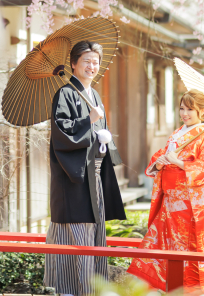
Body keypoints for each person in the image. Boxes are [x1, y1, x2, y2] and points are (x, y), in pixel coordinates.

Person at [126, 89, 204, 294]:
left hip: (189, 209)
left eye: (190, 109)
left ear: (203, 111)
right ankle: (171, 289)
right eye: (182, 108)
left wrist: (179, 162)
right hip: (169, 205)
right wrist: (159, 163)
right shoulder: (178, 133)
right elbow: (162, 156)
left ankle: (190, 291)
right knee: (164, 248)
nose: (184, 113)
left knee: (189, 252)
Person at [45, 40, 127, 296]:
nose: (92, 66)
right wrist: (89, 121)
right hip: (75, 179)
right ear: (73, 64)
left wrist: (104, 140)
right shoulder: (66, 93)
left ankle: (93, 291)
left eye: (96, 62)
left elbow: (97, 136)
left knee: (94, 238)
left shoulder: (94, 95)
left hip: (95, 178)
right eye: (86, 61)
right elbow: (62, 135)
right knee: (76, 237)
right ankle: (70, 291)